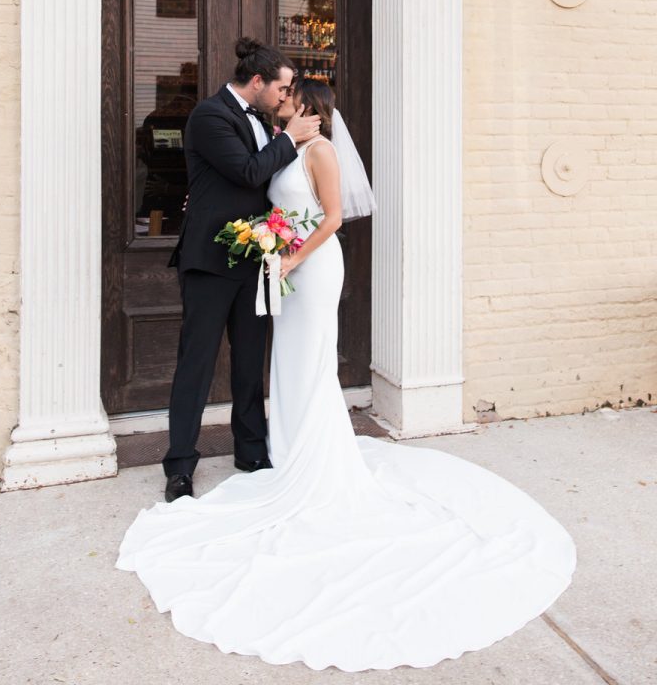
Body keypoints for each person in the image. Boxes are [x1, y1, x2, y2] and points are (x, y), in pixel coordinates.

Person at [118, 78, 576, 672]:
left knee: (307, 357)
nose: (278, 101)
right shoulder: (285, 142)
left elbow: (332, 218)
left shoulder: (324, 151)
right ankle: (287, 446)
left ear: (307, 107)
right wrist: (272, 241)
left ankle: (316, 456)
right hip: (283, 262)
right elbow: (265, 193)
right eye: (276, 93)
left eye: (287, 97)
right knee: (286, 361)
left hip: (310, 263)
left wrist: (290, 255)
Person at [161, 39, 321, 504]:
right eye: (282, 88)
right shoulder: (210, 116)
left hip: (255, 260)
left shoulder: (265, 124)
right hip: (210, 262)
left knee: (250, 362)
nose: (285, 97)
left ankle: (251, 452)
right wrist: (291, 139)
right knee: (197, 363)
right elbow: (249, 173)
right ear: (258, 82)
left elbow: (269, 185)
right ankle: (179, 466)